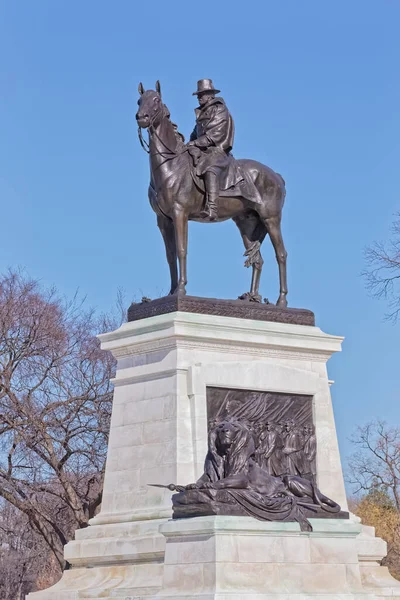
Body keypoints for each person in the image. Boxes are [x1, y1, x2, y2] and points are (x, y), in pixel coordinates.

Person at [187, 79, 243, 220]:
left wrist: (196, 143)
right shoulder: (202, 113)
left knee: (210, 167)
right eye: (198, 94)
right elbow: (195, 133)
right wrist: (189, 144)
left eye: (203, 94)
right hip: (203, 149)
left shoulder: (219, 109)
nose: (200, 97)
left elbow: (215, 135)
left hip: (217, 149)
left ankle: (212, 207)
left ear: (211, 95)